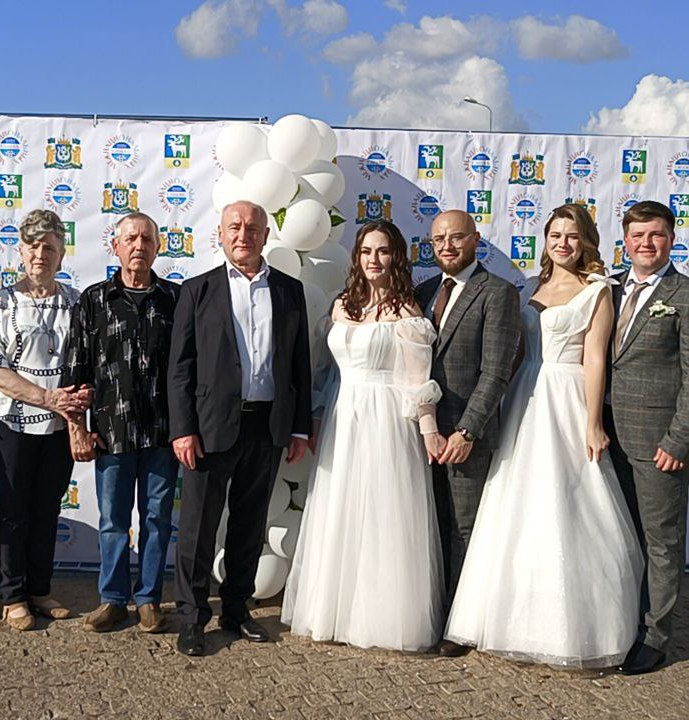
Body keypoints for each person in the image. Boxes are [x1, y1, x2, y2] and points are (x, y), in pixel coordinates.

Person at [444, 204, 645, 668]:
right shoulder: (530, 287)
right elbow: (514, 354)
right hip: (523, 398)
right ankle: (505, 619)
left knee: (566, 504)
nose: (562, 244)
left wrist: (592, 423)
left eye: (572, 236)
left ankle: (570, 629)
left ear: (586, 241)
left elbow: (595, 359)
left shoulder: (597, 290)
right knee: (515, 506)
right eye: (555, 235)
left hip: (567, 397)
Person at [282, 220, 445, 652]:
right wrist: (316, 420)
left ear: (396, 258)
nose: (374, 259)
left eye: (383, 251)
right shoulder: (341, 307)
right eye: (367, 251)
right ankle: (333, 611)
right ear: (357, 257)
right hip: (343, 418)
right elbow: (324, 373)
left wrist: (429, 431)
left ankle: (382, 618)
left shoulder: (407, 313)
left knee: (384, 513)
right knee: (341, 509)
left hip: (387, 419)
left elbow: (418, 380)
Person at [168, 200, 312, 657]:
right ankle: (191, 618)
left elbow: (299, 364)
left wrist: (299, 428)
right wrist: (183, 429)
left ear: (265, 235)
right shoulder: (197, 290)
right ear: (221, 233)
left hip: (267, 425)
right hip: (209, 428)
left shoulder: (289, 290)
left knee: (249, 526)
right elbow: (180, 368)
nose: (243, 235)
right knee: (197, 529)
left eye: (252, 227)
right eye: (234, 227)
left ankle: (235, 609)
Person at [606, 201, 689, 675]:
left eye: (655, 235)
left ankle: (654, 637)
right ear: (625, 241)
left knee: (661, 540)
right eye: (637, 236)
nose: (646, 244)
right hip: (607, 436)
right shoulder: (607, 289)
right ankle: (621, 623)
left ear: (671, 239)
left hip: (659, 443)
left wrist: (679, 440)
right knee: (620, 535)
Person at [62, 213, 181, 634]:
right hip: (110, 434)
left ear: (158, 247)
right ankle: (112, 598)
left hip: (163, 434)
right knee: (113, 521)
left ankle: (149, 599)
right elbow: (75, 373)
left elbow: (190, 368)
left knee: (157, 520)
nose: (139, 246)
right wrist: (78, 429)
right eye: (130, 238)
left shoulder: (176, 299)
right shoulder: (93, 300)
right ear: (116, 247)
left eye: (147, 239)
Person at [412, 210, 521, 656]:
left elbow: (496, 373)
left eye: (456, 238)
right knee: (427, 525)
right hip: (421, 433)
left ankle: (461, 624)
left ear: (476, 239)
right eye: (439, 240)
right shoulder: (422, 292)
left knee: (464, 529)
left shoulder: (497, 293)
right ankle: (433, 612)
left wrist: (466, 431)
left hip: (464, 436)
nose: (447, 247)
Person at [0, 209, 89, 631]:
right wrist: (45, 397)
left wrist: (75, 420)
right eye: (33, 246)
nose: (40, 254)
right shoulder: (0, 302)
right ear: (20, 251)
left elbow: (84, 368)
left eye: (49, 247)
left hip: (58, 429)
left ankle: (40, 590)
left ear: (62, 254)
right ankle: (12, 597)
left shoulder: (77, 302)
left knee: (46, 509)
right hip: (12, 425)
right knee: (12, 511)